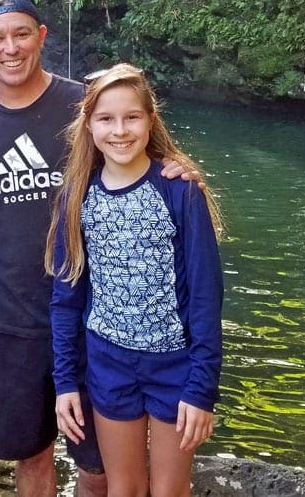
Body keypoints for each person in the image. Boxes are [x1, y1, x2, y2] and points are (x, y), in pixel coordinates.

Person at [0, 0, 200, 496]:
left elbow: (148, 152)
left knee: (98, 464)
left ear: (41, 35)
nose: (10, 48)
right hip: (11, 320)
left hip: (94, 320)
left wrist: (180, 168)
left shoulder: (84, 105)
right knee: (30, 455)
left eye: (21, 34)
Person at [48, 63, 224, 496]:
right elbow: (65, 297)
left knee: (169, 490)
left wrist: (202, 388)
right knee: (122, 487)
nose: (120, 130)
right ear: (88, 125)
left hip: (176, 366)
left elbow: (205, 296)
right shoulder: (77, 197)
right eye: (106, 119)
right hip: (109, 365)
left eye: (132, 117)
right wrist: (66, 381)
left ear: (150, 120)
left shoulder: (180, 191)